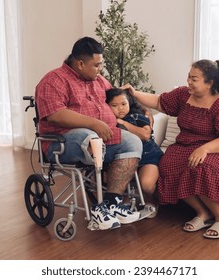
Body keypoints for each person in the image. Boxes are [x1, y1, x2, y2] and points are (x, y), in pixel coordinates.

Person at [124, 59, 219, 239]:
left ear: (209, 82)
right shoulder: (182, 95)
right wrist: (134, 93)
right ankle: (203, 213)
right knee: (168, 166)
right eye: (189, 77)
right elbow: (158, 102)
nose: (189, 81)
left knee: (202, 167)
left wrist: (205, 149)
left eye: (194, 79)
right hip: (186, 145)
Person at [35, 36, 143, 230]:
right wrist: (95, 123)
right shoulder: (53, 80)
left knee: (132, 142)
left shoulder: (99, 80)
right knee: (90, 137)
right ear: (80, 63)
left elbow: (117, 100)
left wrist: (144, 113)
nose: (100, 69)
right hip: (62, 143)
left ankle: (110, 204)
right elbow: (55, 114)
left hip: (101, 140)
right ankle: (98, 210)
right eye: (97, 65)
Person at [105, 88, 163, 217]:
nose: (120, 108)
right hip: (123, 158)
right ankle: (121, 204)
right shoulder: (107, 121)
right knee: (113, 181)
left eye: (123, 104)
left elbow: (146, 135)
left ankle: (152, 201)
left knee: (147, 184)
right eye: (114, 105)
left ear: (129, 103)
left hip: (148, 157)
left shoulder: (138, 116)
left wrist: (123, 123)